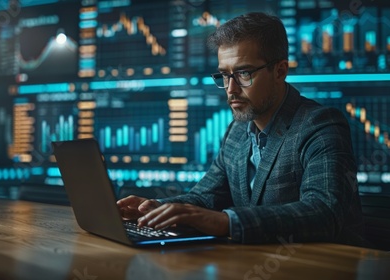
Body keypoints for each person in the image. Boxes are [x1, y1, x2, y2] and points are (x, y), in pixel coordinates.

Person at [117, 12, 366, 246]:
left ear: (280, 71)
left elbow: (323, 212)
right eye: (225, 75)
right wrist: (153, 207)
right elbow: (205, 198)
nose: (231, 89)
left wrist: (226, 222)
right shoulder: (238, 130)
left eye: (244, 73)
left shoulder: (320, 126)